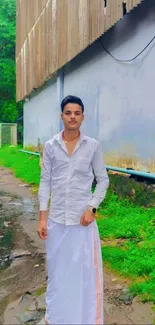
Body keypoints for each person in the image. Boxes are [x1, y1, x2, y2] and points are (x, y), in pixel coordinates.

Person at [37, 95, 109, 325]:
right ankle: (57, 318)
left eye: (77, 113)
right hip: (57, 221)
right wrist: (42, 218)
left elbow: (103, 180)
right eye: (68, 113)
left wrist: (92, 208)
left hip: (82, 223)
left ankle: (85, 319)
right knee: (58, 273)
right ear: (62, 116)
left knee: (84, 275)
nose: (72, 117)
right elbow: (45, 182)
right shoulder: (50, 146)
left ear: (83, 117)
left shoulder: (93, 146)